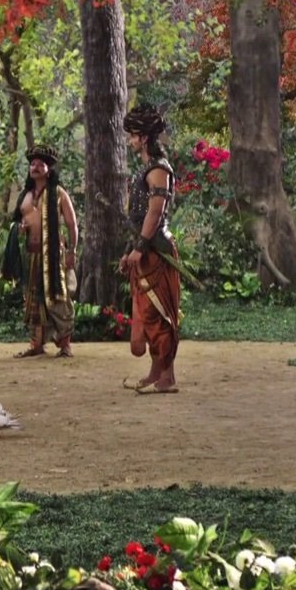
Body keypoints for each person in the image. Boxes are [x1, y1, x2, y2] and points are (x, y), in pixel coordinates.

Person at [120, 103, 180, 394]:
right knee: (147, 315)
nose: (130, 140)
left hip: (157, 251)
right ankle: (156, 372)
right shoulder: (147, 168)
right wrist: (130, 250)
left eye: (133, 135)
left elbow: (154, 213)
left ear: (143, 138)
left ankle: (167, 377)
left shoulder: (159, 169)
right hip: (145, 249)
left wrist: (141, 248)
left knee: (158, 315)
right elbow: (140, 217)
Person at [12, 144, 78, 359]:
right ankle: (36, 344)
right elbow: (18, 222)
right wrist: (20, 229)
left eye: (40, 164)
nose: (35, 167)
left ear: (49, 169)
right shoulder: (25, 195)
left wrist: (72, 252)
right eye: (32, 164)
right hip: (31, 254)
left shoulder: (58, 193)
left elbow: (72, 225)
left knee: (58, 297)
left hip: (53, 255)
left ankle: (65, 345)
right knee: (33, 299)